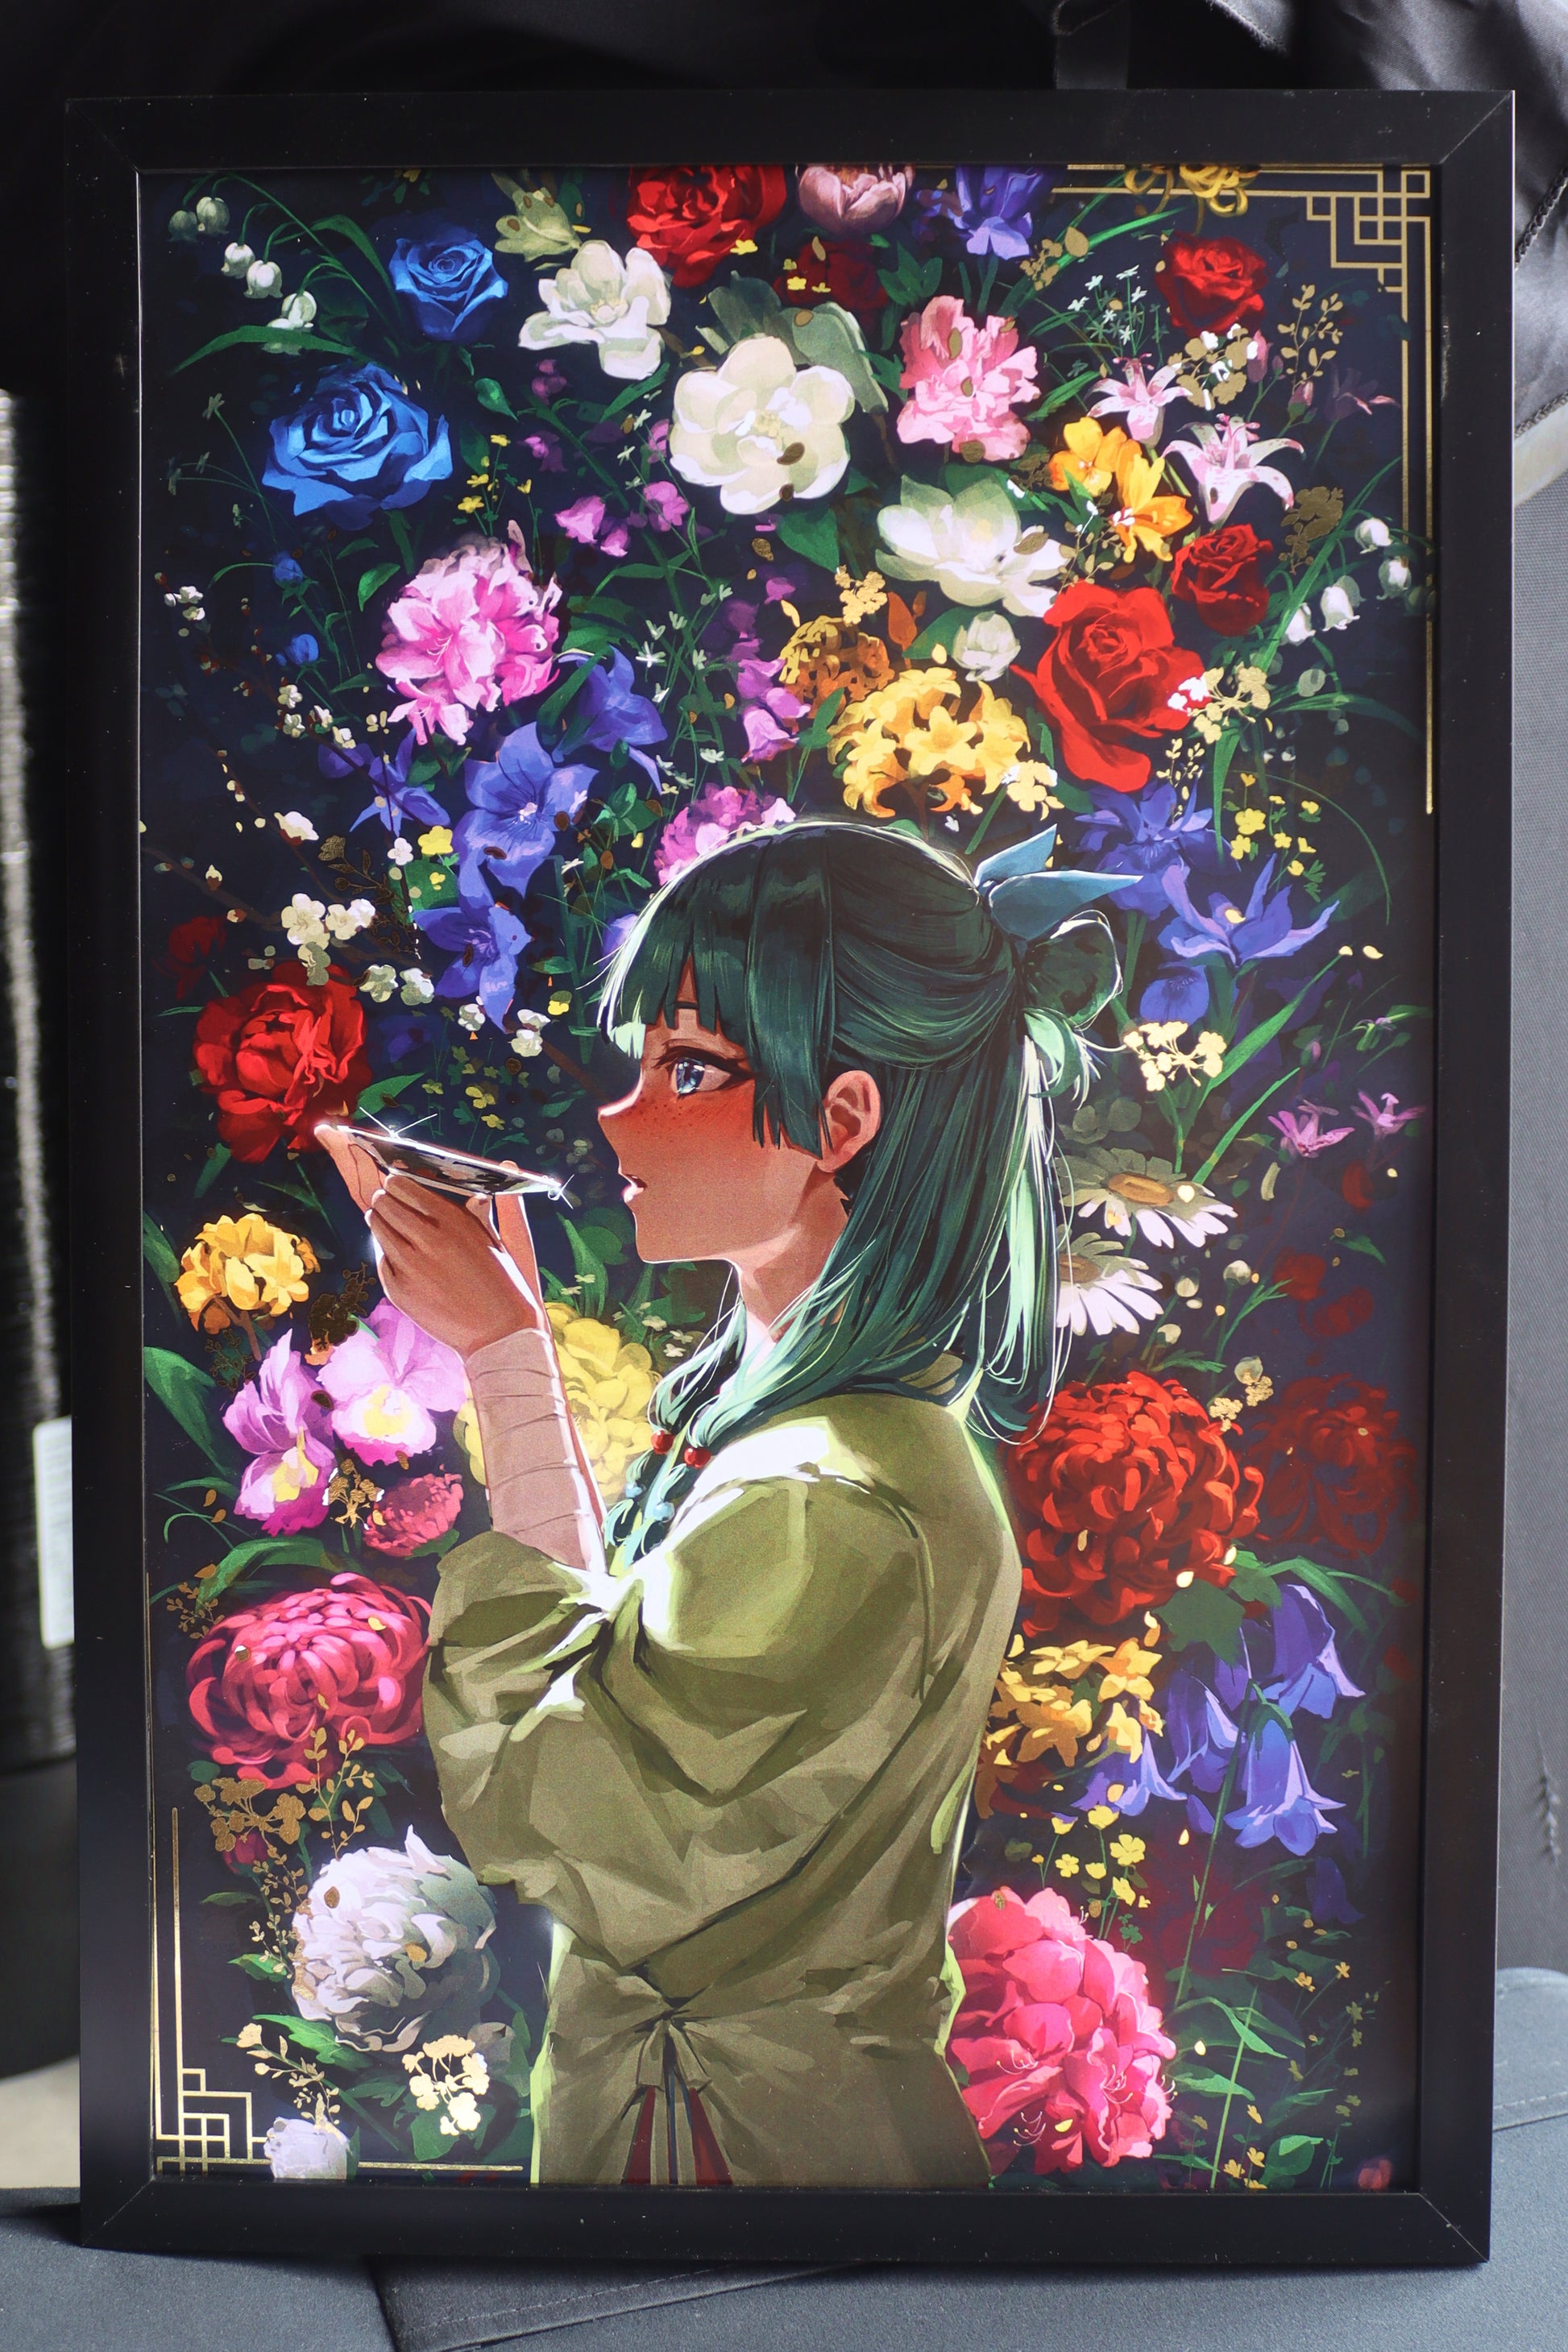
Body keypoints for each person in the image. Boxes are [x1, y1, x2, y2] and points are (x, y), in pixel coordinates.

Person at [321, 818, 1126, 2188]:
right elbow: (606, 1695)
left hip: (751, 2166)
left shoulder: (834, 1495)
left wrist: (506, 1357)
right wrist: (509, 1354)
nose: (619, 1116)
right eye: (642, 1063)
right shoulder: (795, 1431)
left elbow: (563, 1811)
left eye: (690, 1068)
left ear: (841, 1121)